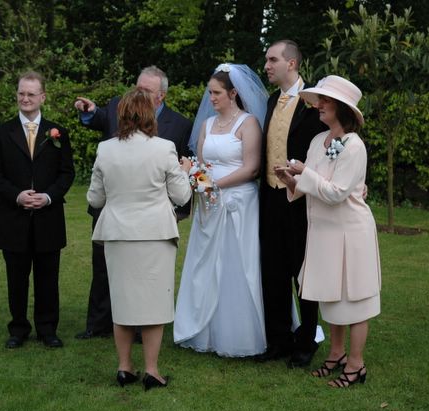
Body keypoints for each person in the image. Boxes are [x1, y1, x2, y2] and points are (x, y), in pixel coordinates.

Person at [274, 75, 381, 388]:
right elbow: (309, 186)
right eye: (319, 99)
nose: (318, 105)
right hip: (323, 231)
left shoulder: (354, 145)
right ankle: (336, 354)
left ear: (341, 108)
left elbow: (336, 193)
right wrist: (290, 180)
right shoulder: (318, 140)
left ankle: (356, 365)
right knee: (330, 296)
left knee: (355, 299)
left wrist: (304, 172)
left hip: (350, 232)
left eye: (325, 101)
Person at [73, 66, 193, 340]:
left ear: (161, 96)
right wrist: (90, 111)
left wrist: (179, 212)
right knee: (105, 271)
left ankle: (137, 330)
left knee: (146, 279)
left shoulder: (179, 126)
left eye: (146, 90)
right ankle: (99, 324)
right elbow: (98, 118)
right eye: (137, 88)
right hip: (114, 212)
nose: (139, 94)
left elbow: (178, 180)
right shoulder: (117, 108)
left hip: (152, 219)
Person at [87, 88, 192, 390]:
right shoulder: (164, 148)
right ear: (149, 115)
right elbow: (181, 195)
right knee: (154, 304)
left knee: (122, 303)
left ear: (120, 115)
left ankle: (124, 368)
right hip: (155, 235)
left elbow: (95, 198)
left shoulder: (106, 149)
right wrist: (184, 171)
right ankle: (152, 371)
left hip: (118, 234)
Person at [173, 63, 268, 357]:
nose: (211, 98)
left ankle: (241, 333)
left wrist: (215, 185)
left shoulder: (248, 124)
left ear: (233, 93)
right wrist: (200, 182)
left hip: (239, 202)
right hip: (210, 204)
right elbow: (201, 163)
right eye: (210, 93)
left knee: (236, 264)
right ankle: (203, 329)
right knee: (205, 263)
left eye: (216, 93)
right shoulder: (207, 125)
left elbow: (252, 168)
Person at [0, 71, 75, 349]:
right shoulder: (1, 133)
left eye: (31, 94)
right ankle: (18, 329)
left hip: (48, 217)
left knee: (48, 277)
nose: (25, 98)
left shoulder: (58, 132)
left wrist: (48, 197)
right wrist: (16, 196)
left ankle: (47, 329)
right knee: (16, 277)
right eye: (21, 93)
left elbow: (67, 173)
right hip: (13, 217)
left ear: (42, 97)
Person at [257, 40, 328, 366]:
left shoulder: (314, 103)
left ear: (292, 63)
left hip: (301, 199)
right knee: (273, 270)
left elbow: (328, 147)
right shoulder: (272, 100)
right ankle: (279, 340)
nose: (267, 66)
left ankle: (306, 341)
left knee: (303, 270)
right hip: (271, 197)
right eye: (267, 60)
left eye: (273, 60)